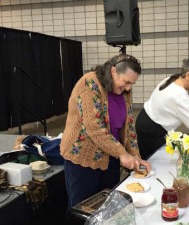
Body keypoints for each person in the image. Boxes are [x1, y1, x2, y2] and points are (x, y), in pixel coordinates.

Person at [60, 54, 151, 208]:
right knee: (83, 209)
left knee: (107, 207)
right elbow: (94, 128)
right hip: (83, 159)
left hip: (111, 158)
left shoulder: (124, 91)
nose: (128, 88)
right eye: (126, 82)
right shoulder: (90, 83)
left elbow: (129, 125)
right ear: (113, 71)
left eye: (132, 84)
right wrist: (122, 153)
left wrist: (135, 155)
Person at [135, 54, 189, 160]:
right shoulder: (180, 97)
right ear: (188, 75)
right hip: (151, 132)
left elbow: (172, 111)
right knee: (156, 165)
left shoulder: (172, 79)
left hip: (145, 122)